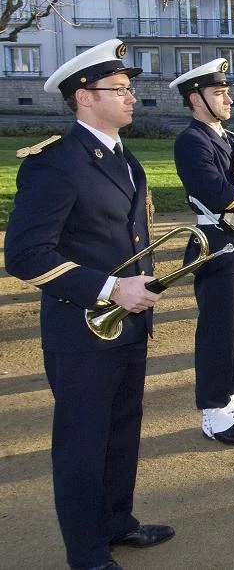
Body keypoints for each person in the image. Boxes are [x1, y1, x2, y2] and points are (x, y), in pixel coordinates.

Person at [5, 39, 175, 569]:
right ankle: (87, 553)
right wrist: (109, 288)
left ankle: (116, 522)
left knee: (122, 429)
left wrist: (139, 286)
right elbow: (27, 255)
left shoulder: (125, 160)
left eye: (130, 89)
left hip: (127, 323)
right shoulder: (55, 163)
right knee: (81, 442)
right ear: (83, 96)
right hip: (82, 328)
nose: (132, 98)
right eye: (119, 90)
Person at [171, 58, 234, 445]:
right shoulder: (191, 141)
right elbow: (222, 195)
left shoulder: (230, 139)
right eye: (219, 93)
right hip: (216, 244)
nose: (229, 98)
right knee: (218, 330)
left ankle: (229, 400)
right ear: (195, 99)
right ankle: (212, 412)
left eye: (227, 91)